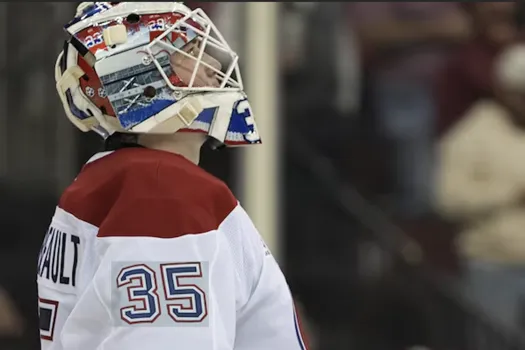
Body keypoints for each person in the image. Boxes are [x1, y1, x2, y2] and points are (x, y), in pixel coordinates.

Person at [37, 2, 308, 350]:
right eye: (189, 52)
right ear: (137, 76)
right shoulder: (163, 191)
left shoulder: (109, 182)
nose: (211, 66)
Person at [436, 43, 525, 331]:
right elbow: (447, 198)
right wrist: (510, 195)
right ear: (505, 90)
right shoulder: (472, 133)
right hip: (493, 264)